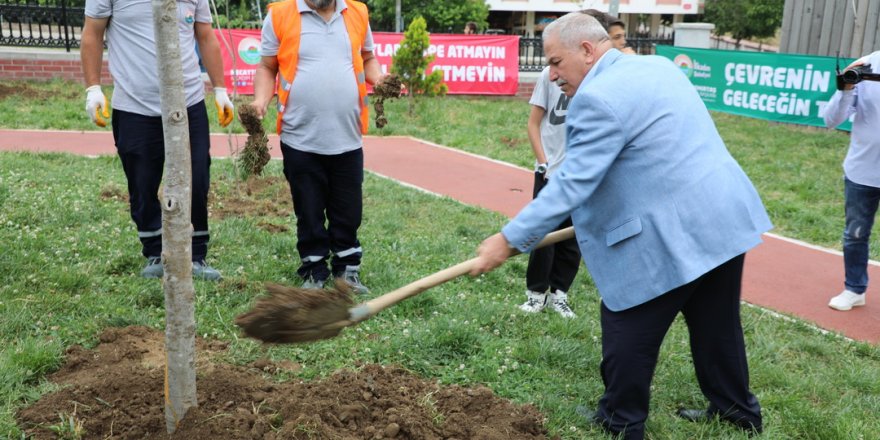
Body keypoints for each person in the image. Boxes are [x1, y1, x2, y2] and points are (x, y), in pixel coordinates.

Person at [470, 12, 770, 439]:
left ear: (588, 51)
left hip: (670, 232)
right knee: (716, 325)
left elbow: (571, 182)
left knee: (627, 326)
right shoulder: (656, 66)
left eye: (555, 62)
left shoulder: (597, 98)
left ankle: (621, 420)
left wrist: (509, 239)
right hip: (720, 216)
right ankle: (738, 412)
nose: (551, 74)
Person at [81, 0, 233, 280]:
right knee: (142, 182)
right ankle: (155, 251)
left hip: (188, 103)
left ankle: (195, 255)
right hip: (135, 105)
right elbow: (92, 33)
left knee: (197, 178)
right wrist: (93, 88)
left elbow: (205, 35)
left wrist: (220, 88)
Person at [250, 0, 386, 293]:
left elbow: (368, 57)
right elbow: (266, 66)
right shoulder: (280, 14)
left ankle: (347, 270)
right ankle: (314, 270)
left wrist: (382, 78)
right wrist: (260, 101)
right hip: (300, 136)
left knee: (348, 210)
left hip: (347, 136)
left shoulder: (357, 12)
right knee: (308, 209)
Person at [824, 50, 880, 311]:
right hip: (863, 171)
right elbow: (831, 120)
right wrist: (846, 87)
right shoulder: (868, 63)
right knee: (855, 234)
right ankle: (854, 289)